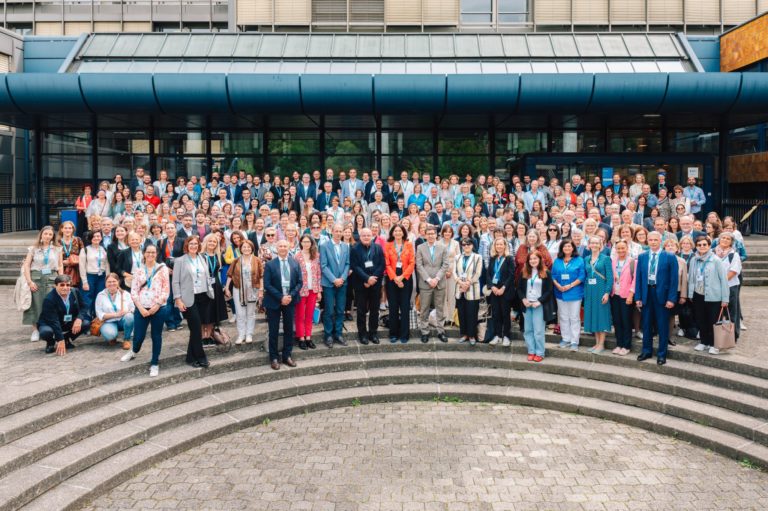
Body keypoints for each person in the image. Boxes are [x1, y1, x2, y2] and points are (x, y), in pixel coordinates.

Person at [120, 244, 170, 376]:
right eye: (148, 252)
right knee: (139, 336)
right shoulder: (138, 270)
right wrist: (140, 308)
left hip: (158, 308)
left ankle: (154, 363)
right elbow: (134, 291)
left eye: (153, 252)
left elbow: (166, 290)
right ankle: (133, 351)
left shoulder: (163, 269)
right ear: (144, 253)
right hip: (141, 308)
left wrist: (157, 306)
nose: (150, 254)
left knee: (156, 336)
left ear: (156, 254)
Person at [635, 231, 679, 366]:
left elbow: (674, 280)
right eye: (650, 240)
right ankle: (646, 351)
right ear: (647, 241)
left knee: (662, 325)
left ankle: (661, 354)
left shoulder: (670, 257)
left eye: (655, 240)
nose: (653, 242)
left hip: (662, 295)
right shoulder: (642, 257)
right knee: (646, 324)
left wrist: (671, 299)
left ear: (660, 241)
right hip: (647, 293)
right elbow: (639, 278)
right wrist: (638, 297)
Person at [172, 236, 214, 369]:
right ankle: (201, 357)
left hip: (203, 296)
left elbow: (206, 276)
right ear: (186, 245)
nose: (193, 246)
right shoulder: (180, 261)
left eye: (196, 244)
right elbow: (175, 282)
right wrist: (178, 299)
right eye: (191, 244)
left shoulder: (202, 258)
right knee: (196, 328)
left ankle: (190, 357)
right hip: (188, 298)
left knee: (196, 329)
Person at [263, 239, 302, 370]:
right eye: (280, 246)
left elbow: (300, 282)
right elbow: (267, 284)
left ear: (289, 247)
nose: (283, 248)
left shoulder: (295, 263)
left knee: (289, 329)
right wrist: (281, 297)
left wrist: (290, 296)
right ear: (276, 248)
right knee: (273, 330)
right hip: (274, 301)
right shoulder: (270, 264)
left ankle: (287, 355)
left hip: (290, 301)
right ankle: (274, 358)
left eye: (285, 246)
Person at [688, 236, 730, 354]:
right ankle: (704, 342)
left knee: (713, 321)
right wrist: (690, 294)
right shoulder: (694, 260)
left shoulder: (716, 260)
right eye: (699, 245)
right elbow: (691, 278)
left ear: (709, 246)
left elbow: (724, 280)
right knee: (701, 320)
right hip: (698, 295)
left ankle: (714, 344)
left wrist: (725, 299)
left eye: (704, 244)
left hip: (714, 296)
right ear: (696, 246)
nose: (702, 247)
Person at [23, 226, 63, 342]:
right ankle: (35, 330)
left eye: (50, 234)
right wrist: (29, 282)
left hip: (52, 278)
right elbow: (27, 265)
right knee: (35, 304)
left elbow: (60, 265)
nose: (48, 236)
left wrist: (60, 281)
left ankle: (51, 328)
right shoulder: (33, 249)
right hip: (37, 278)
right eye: (45, 234)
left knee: (52, 304)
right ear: (41, 234)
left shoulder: (57, 249)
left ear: (53, 236)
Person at [37, 274, 90, 355]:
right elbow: (54, 321)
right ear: (55, 286)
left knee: (86, 323)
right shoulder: (49, 299)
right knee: (46, 332)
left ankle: (66, 339)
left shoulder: (75, 292)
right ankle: (51, 342)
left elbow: (84, 306)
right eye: (62, 285)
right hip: (50, 323)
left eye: (67, 285)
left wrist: (79, 319)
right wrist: (60, 339)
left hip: (67, 322)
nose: (65, 287)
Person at [415, 225, 450, 343]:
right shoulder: (420, 247)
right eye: (428, 234)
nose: (430, 236)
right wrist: (429, 280)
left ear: (436, 235)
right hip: (425, 284)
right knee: (424, 308)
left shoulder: (443, 247)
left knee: (440, 308)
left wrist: (437, 278)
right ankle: (425, 331)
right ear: (425, 235)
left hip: (439, 283)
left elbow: (445, 264)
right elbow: (419, 265)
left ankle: (441, 331)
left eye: (432, 234)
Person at [517, 251, 554, 362]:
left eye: (535, 258)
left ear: (540, 260)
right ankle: (531, 351)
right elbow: (519, 288)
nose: (533, 261)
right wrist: (523, 299)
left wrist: (540, 301)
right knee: (528, 330)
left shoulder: (546, 272)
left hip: (538, 305)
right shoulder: (524, 272)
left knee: (538, 330)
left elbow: (549, 290)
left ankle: (540, 352)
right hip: (527, 304)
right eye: (531, 259)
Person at [350, 228, 385, 345]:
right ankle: (362, 334)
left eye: (368, 235)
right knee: (361, 311)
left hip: (375, 284)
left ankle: (373, 333)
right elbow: (355, 266)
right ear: (360, 237)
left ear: (372, 236)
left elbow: (381, 265)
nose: (366, 237)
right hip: (361, 284)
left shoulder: (378, 248)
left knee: (374, 310)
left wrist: (372, 279)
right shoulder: (355, 249)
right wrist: (366, 279)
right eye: (364, 235)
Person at [224, 240, 263, 345]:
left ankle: (249, 334)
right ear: (240, 249)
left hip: (252, 290)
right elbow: (230, 275)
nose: (246, 249)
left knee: (250, 313)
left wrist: (261, 290)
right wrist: (227, 288)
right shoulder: (236, 261)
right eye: (244, 247)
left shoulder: (257, 260)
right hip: (238, 289)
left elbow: (261, 276)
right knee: (240, 313)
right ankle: (241, 335)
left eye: (248, 247)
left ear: (252, 248)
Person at [552, 239, 586, 351]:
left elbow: (582, 276)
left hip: (575, 293)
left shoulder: (579, 260)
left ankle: (574, 341)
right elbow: (553, 275)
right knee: (563, 316)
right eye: (565, 246)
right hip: (560, 292)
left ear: (573, 248)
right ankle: (566, 339)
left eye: (569, 246)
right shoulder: (557, 261)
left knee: (574, 317)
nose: (567, 248)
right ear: (561, 248)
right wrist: (558, 285)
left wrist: (570, 286)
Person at [319, 224, 350, 348]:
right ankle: (328, 335)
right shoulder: (324, 246)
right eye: (336, 231)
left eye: (340, 231)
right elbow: (323, 265)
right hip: (329, 284)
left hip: (342, 283)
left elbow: (347, 264)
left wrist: (342, 278)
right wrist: (334, 279)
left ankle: (338, 333)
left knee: (340, 310)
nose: (338, 233)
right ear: (332, 232)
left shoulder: (345, 246)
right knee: (329, 310)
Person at [384, 225, 415, 344]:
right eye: (395, 231)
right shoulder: (388, 245)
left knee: (405, 307)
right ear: (392, 233)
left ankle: (404, 334)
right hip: (392, 278)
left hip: (406, 278)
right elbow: (386, 264)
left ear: (403, 233)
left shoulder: (409, 245)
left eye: (400, 231)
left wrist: (402, 277)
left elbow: (412, 263)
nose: (397, 233)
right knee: (393, 307)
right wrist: (395, 278)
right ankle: (393, 334)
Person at [583, 236, 614, 353]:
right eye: (592, 243)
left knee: (601, 316)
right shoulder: (586, 259)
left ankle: (601, 344)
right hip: (590, 290)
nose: (594, 245)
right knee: (593, 316)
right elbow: (586, 275)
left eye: (597, 243)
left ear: (601, 245)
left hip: (601, 289)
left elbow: (610, 277)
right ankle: (596, 344)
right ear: (589, 245)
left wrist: (607, 293)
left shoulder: (605, 258)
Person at [713, 231, 742, 348]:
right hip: (714, 288)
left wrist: (722, 282)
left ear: (731, 242)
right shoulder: (712, 252)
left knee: (731, 312)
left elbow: (734, 271)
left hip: (730, 287)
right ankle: (717, 335)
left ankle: (732, 336)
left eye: (728, 239)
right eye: (723, 238)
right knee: (716, 311)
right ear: (719, 239)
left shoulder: (734, 255)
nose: (725, 240)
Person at [485, 237, 515, 346]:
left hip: (505, 291)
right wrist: (492, 287)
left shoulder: (509, 259)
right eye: (497, 244)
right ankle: (497, 335)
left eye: (501, 244)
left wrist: (503, 288)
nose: (499, 246)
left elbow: (511, 275)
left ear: (505, 246)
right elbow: (488, 274)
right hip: (494, 291)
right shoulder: (493, 258)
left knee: (505, 314)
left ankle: (506, 336)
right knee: (496, 314)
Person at [293, 235, 321, 350]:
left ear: (311, 243)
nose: (306, 244)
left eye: (308, 242)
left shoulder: (316, 255)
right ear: (300, 243)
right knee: (300, 315)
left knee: (309, 315)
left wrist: (319, 290)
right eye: (304, 242)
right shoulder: (297, 256)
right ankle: (301, 338)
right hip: (301, 290)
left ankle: (308, 337)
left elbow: (318, 274)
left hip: (313, 289)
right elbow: (294, 274)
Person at [453, 237, 483, 345]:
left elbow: (478, 273)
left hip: (472, 289)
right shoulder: (457, 257)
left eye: (468, 244)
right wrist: (460, 282)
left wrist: (468, 283)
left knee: (472, 313)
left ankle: (471, 335)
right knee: (462, 313)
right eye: (464, 244)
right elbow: (454, 272)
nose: (466, 246)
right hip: (460, 289)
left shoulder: (478, 257)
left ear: (472, 245)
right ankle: (464, 334)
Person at [610, 240, 636, 356]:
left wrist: (631, 294)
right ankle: (619, 344)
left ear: (627, 248)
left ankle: (626, 346)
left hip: (626, 295)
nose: (621, 250)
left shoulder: (633, 262)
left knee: (626, 321)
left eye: (623, 248)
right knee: (617, 321)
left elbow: (635, 280)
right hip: (614, 294)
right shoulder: (613, 261)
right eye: (618, 248)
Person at [95, 272, 135, 349]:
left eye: (114, 281)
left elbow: (133, 308)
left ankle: (126, 339)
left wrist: (127, 312)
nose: (111, 284)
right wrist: (116, 314)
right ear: (105, 283)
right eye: (109, 282)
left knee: (129, 317)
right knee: (110, 335)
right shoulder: (100, 295)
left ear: (118, 282)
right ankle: (112, 337)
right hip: (108, 321)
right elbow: (99, 314)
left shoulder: (125, 294)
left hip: (122, 320)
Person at [79, 230, 109, 318]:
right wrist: (84, 281)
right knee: (87, 298)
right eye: (94, 236)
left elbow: (107, 265)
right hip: (90, 277)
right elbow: (82, 267)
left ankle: (97, 318)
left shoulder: (103, 249)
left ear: (101, 238)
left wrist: (107, 278)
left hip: (101, 277)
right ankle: (86, 319)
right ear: (90, 238)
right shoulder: (85, 250)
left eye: (98, 236)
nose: (96, 238)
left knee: (99, 297)